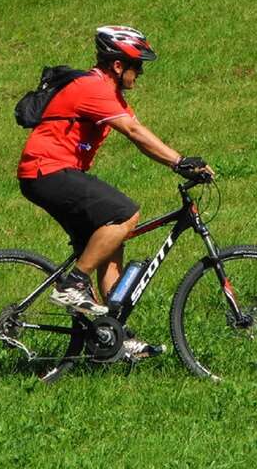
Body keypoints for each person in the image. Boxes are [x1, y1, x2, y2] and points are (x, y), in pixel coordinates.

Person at [17, 25, 211, 358]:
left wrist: (181, 163)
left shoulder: (109, 94)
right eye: (138, 65)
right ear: (118, 65)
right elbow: (135, 132)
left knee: (111, 245)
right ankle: (74, 284)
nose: (141, 73)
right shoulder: (92, 88)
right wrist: (179, 162)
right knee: (123, 213)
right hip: (46, 170)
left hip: (52, 172)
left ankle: (114, 335)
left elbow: (142, 139)